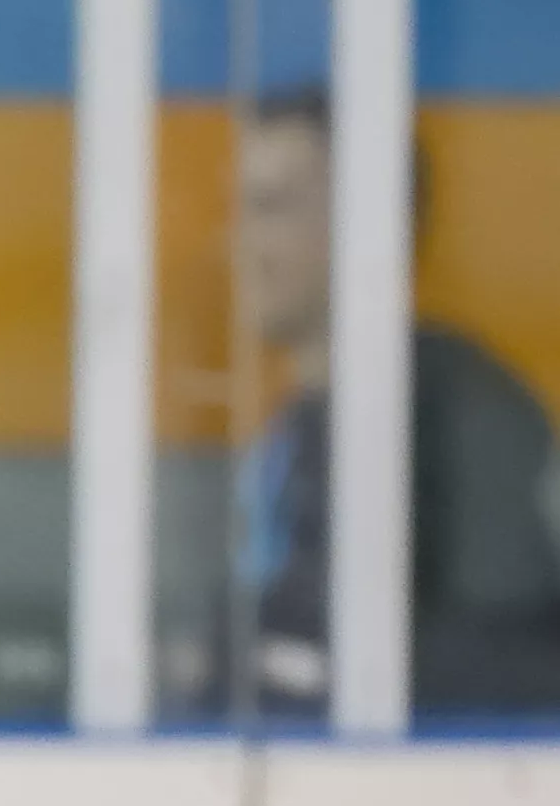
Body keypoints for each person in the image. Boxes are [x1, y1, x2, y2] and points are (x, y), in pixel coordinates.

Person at [223, 87, 560, 722]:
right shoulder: (293, 426)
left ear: (369, 223)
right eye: (240, 207)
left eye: (270, 207)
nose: (241, 240)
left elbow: (522, 660)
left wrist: (292, 663)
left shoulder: (464, 415)